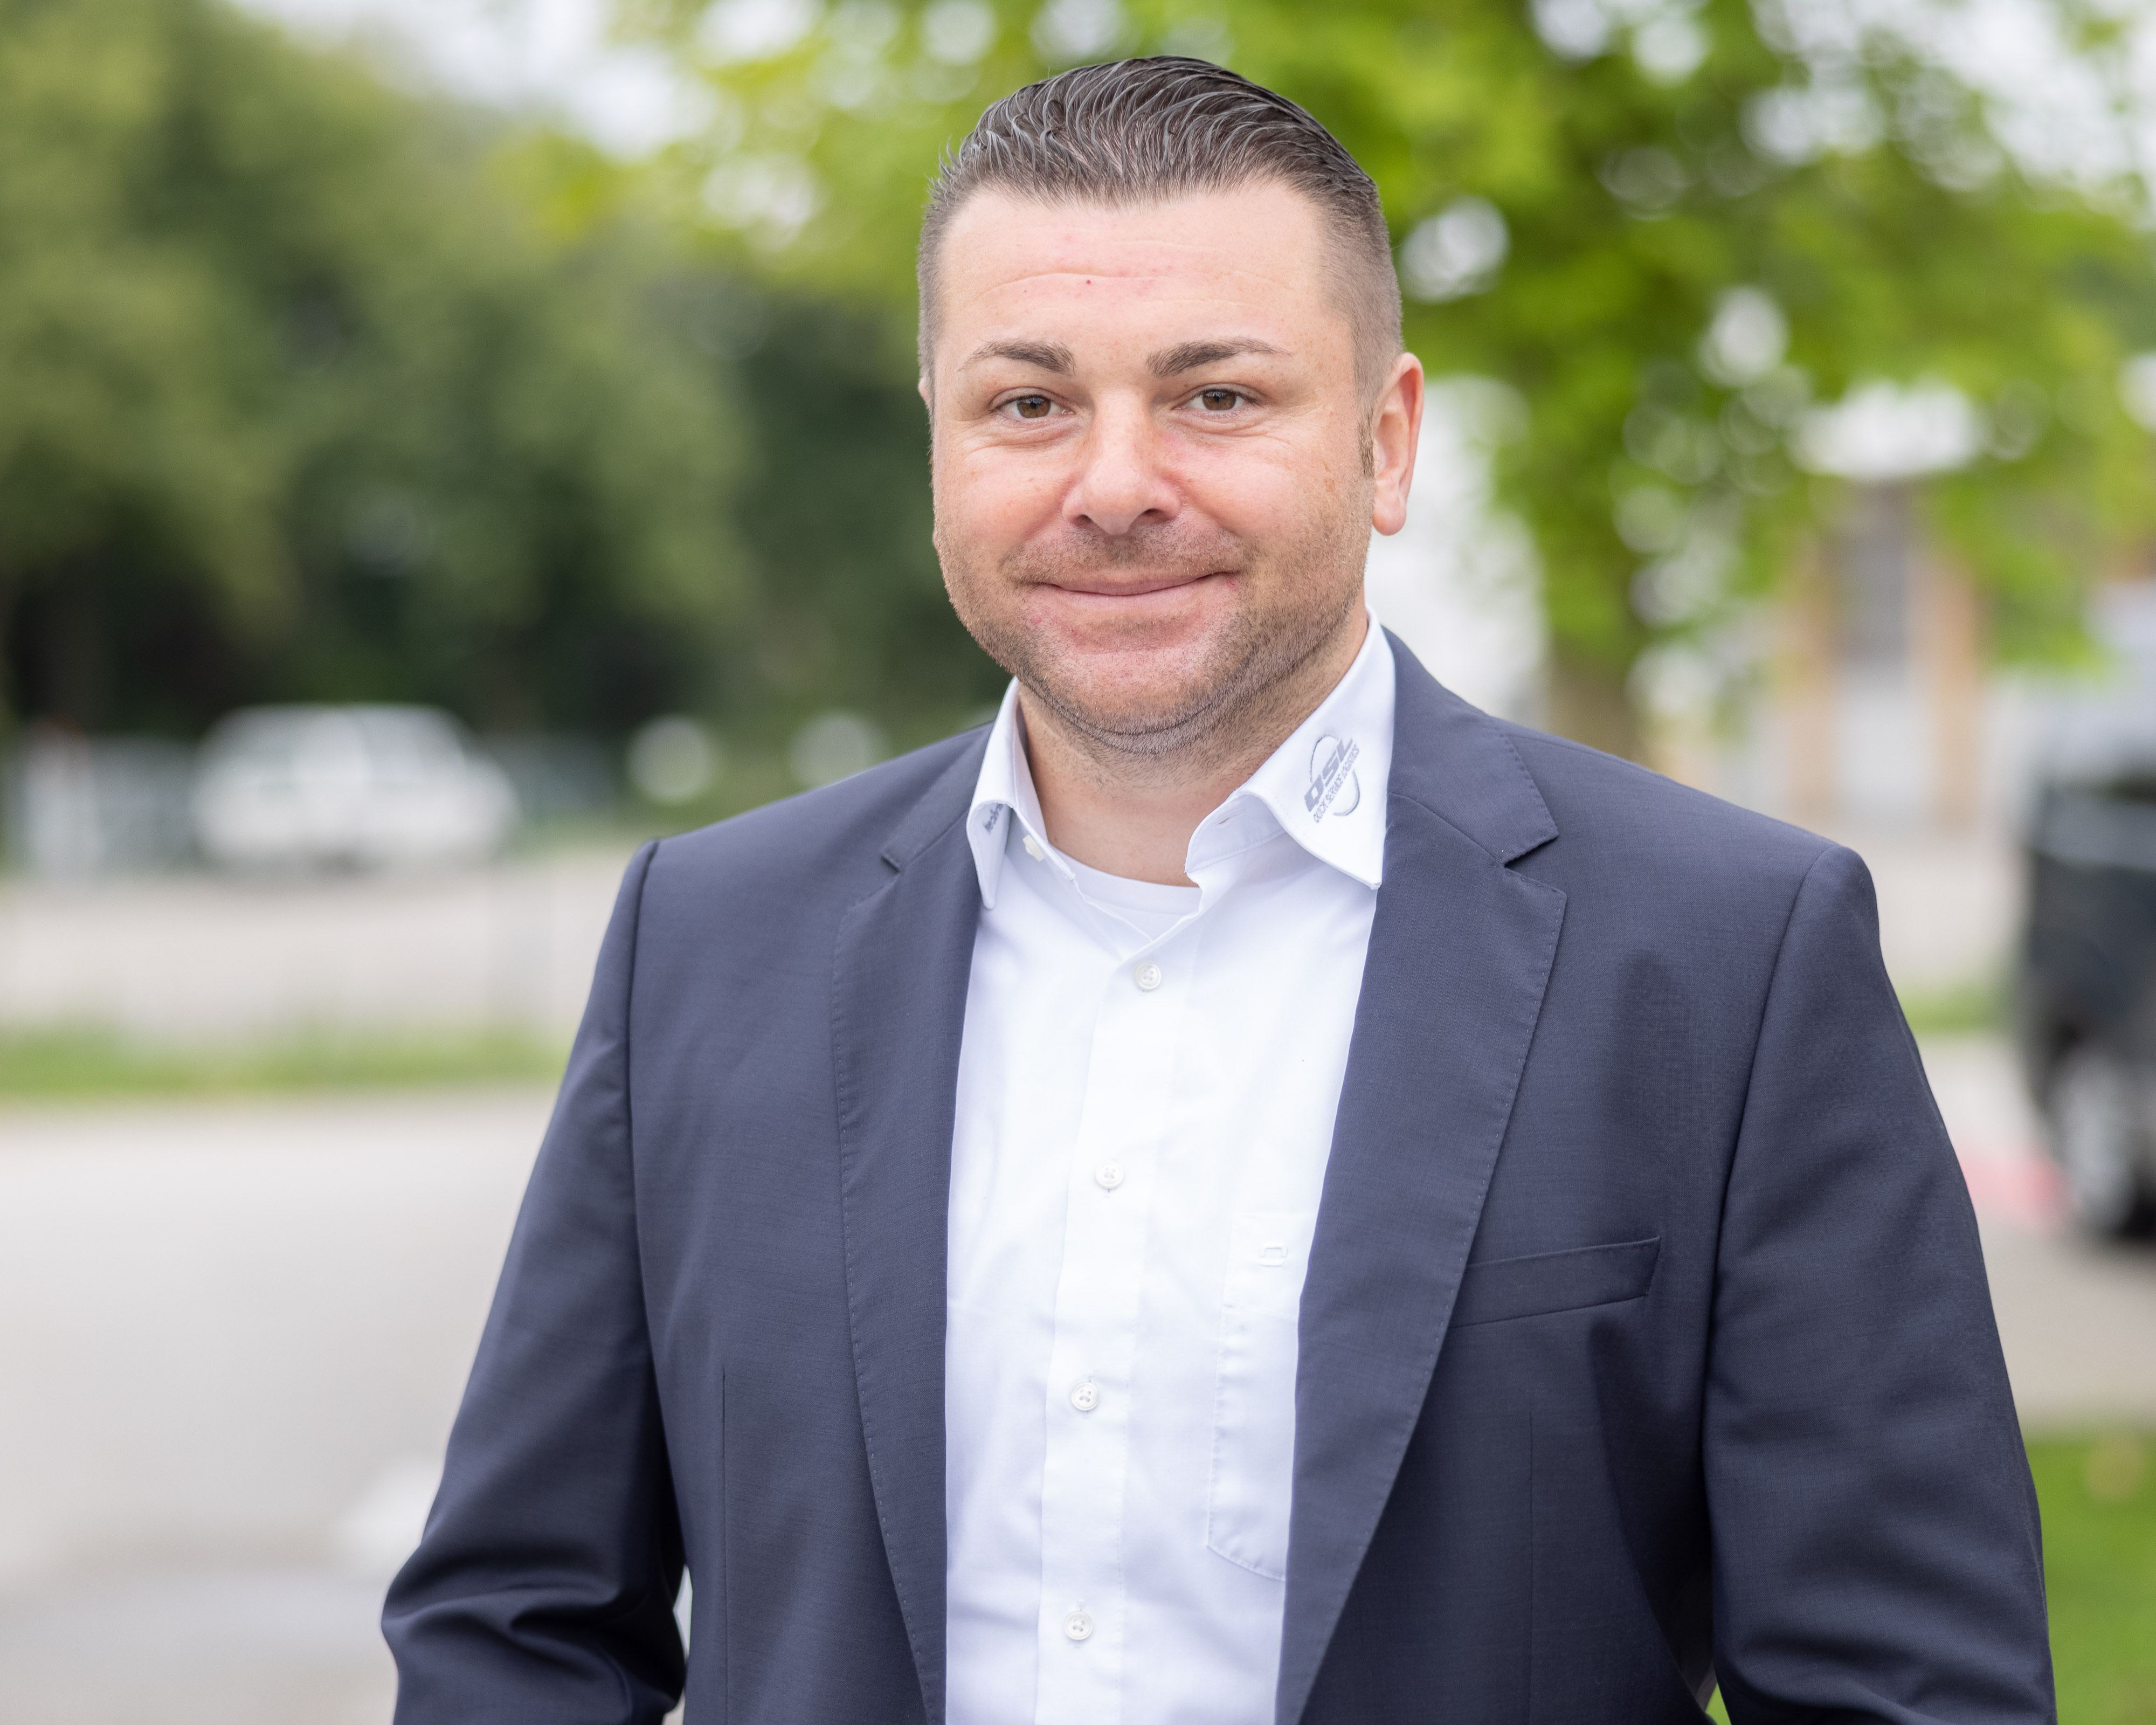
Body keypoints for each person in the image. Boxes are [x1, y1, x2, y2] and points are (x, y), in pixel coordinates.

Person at [384, 57, 2051, 1725]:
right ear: (940, 442)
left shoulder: (1728, 962)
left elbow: (1908, 1689)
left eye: (1218, 396)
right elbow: (518, 1628)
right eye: (1028, 404)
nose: (1115, 485)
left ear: (1387, 443)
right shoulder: (708, 940)